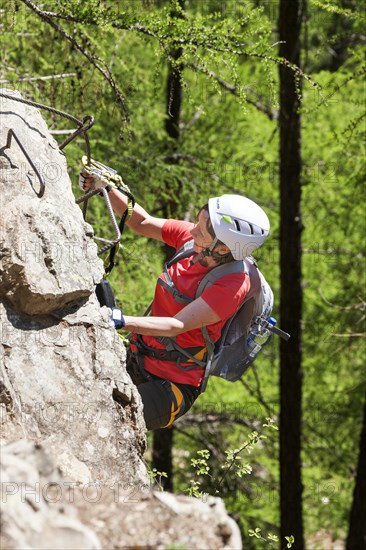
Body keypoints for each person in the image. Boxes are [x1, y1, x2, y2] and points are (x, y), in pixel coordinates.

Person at [79, 171, 270, 430]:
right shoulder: (193, 242)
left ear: (223, 248)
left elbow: (176, 325)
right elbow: (143, 222)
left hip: (172, 386)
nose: (191, 230)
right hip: (138, 358)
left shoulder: (232, 285)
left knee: (109, 420)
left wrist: (120, 319)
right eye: (197, 222)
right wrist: (106, 189)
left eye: (200, 229)